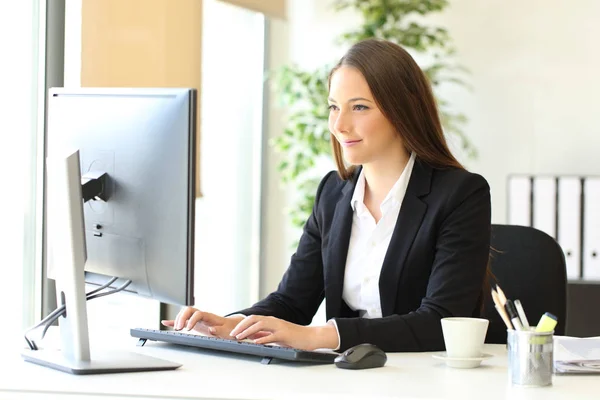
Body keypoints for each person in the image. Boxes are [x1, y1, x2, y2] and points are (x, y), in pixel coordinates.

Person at [162, 38, 491, 353]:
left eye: (359, 107)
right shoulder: (333, 194)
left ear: (402, 110)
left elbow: (441, 322)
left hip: (423, 381)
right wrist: (231, 325)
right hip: (348, 376)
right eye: (334, 107)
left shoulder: (460, 194)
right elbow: (292, 302)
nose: (340, 125)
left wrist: (319, 336)